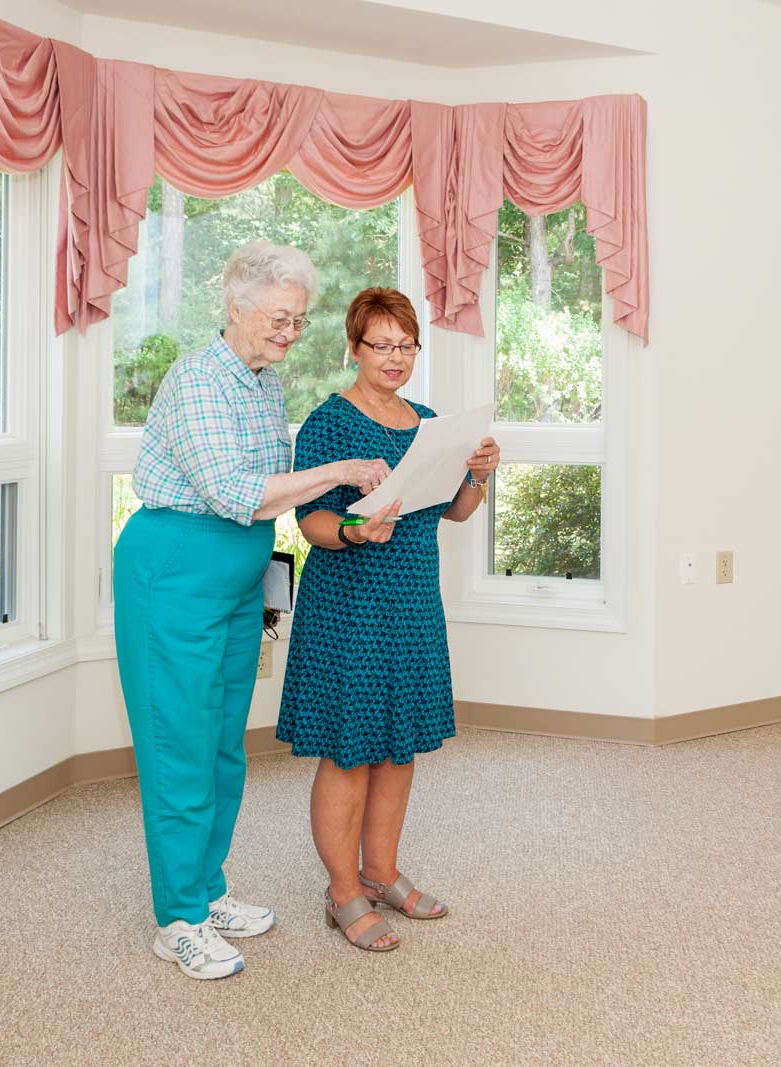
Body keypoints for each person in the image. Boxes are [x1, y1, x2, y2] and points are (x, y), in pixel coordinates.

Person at [113, 242, 390, 980]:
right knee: (179, 746)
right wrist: (337, 471)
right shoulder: (201, 379)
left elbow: (273, 485)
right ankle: (177, 919)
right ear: (236, 305)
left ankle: (205, 889)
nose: (291, 332)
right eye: (279, 317)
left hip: (237, 579)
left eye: (299, 320)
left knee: (222, 744)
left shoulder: (262, 384)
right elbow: (237, 492)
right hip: (174, 570)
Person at [277, 287, 498, 952]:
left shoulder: (429, 421)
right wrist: (352, 529)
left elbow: (452, 511)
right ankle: (342, 890)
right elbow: (307, 519)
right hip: (348, 605)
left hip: (410, 607)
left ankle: (381, 872)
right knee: (351, 750)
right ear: (355, 348)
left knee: (398, 748)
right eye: (382, 344)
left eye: (406, 344)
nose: (396, 356)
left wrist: (480, 475)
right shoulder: (329, 423)